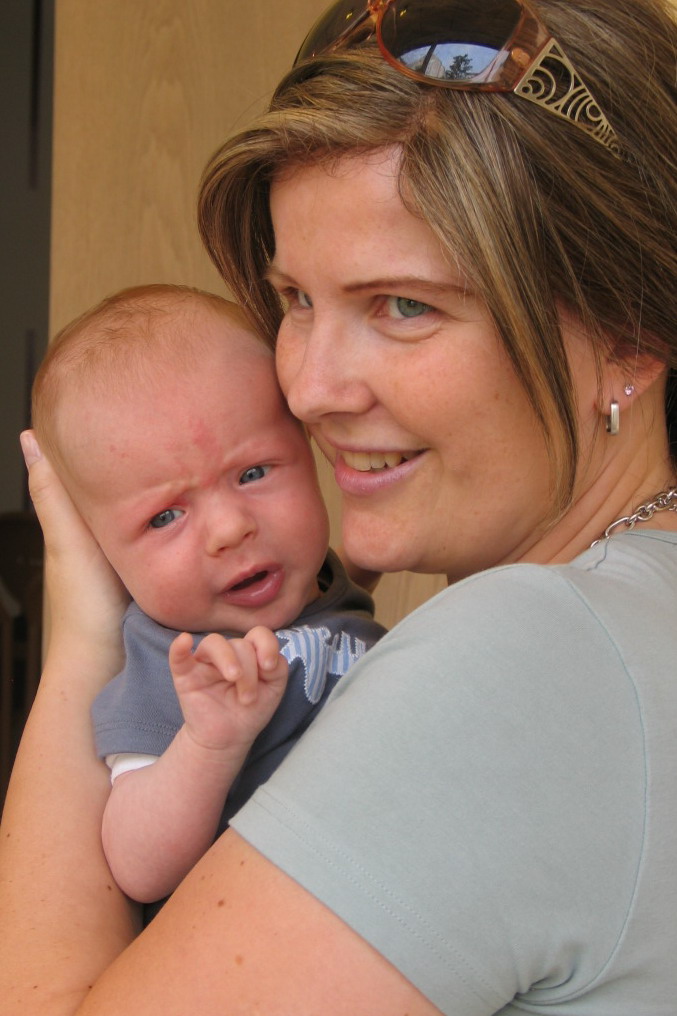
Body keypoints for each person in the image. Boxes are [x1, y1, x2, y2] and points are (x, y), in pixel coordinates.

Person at [2, 0, 676, 1012]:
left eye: (402, 305)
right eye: (297, 300)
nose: (308, 389)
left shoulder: (527, 650)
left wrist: (83, 639)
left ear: (629, 332)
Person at [30, 283, 385, 907]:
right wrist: (208, 744)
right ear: (102, 551)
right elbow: (138, 867)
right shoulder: (169, 663)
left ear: (310, 449)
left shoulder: (327, 586)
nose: (228, 529)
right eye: (165, 517)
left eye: (253, 473)